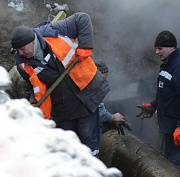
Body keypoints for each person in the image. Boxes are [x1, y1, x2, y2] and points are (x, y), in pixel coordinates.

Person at [11, 12, 110, 156]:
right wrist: (32, 106)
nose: (20, 53)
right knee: (68, 147)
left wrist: (85, 46)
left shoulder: (54, 31)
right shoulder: (23, 64)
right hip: (63, 107)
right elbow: (31, 87)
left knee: (88, 143)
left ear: (32, 41)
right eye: (17, 50)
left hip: (86, 95)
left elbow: (82, 18)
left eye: (22, 49)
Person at [136, 30, 180, 167]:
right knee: (169, 162)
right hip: (168, 128)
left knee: (175, 166)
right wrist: (154, 105)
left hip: (176, 132)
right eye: (156, 49)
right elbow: (168, 93)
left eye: (160, 48)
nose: (156, 52)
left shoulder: (178, 68)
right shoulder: (167, 65)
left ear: (171, 47)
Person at [94, 59, 132, 133]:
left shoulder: (96, 87)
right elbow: (99, 113)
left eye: (105, 78)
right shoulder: (91, 89)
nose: (104, 82)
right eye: (102, 78)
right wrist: (113, 117)